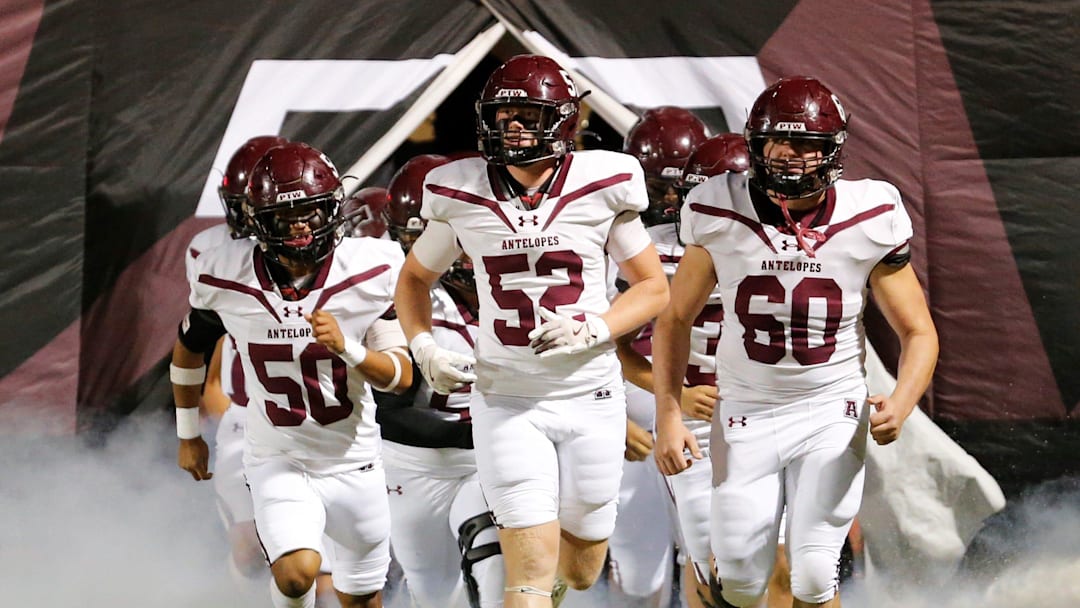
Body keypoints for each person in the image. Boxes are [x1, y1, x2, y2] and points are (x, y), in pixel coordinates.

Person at [393, 54, 670, 608]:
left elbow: (653, 288)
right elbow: (414, 280)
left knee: (583, 568)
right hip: (509, 399)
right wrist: (423, 346)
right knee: (526, 579)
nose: (511, 126)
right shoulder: (460, 191)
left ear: (563, 121)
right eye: (502, 115)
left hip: (591, 396)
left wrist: (595, 326)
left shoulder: (603, 183)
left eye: (526, 113)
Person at [652, 76, 939, 608]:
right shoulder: (718, 206)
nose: (790, 156)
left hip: (831, 407)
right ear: (754, 144)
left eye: (806, 144)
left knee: (810, 573)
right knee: (736, 579)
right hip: (746, 410)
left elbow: (918, 330)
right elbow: (674, 319)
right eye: (778, 142)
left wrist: (902, 400)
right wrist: (668, 413)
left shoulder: (871, 213)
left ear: (832, 150)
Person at [173, 141, 413, 608]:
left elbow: (401, 378)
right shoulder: (224, 273)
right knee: (297, 574)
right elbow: (188, 350)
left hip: (356, 458)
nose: (301, 226)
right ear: (259, 221)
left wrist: (350, 349)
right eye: (286, 216)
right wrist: (188, 435)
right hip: (278, 456)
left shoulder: (373, 268)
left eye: (312, 211)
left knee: (361, 597)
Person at [375, 153, 506, 608]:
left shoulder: (517, 278)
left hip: (493, 455)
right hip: (414, 462)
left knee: (496, 568)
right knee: (435, 594)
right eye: (414, 236)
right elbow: (391, 409)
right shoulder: (389, 295)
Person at [611, 106, 711, 608]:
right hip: (637, 409)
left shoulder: (724, 239)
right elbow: (596, 344)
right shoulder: (615, 241)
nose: (670, 199)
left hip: (709, 414)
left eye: (682, 184)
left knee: (708, 557)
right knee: (638, 571)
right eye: (657, 185)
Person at [183, 134, 287, 586]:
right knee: (249, 549)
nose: (246, 220)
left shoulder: (334, 255)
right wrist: (208, 413)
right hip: (250, 413)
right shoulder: (213, 253)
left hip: (323, 416)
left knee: (320, 565)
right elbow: (211, 332)